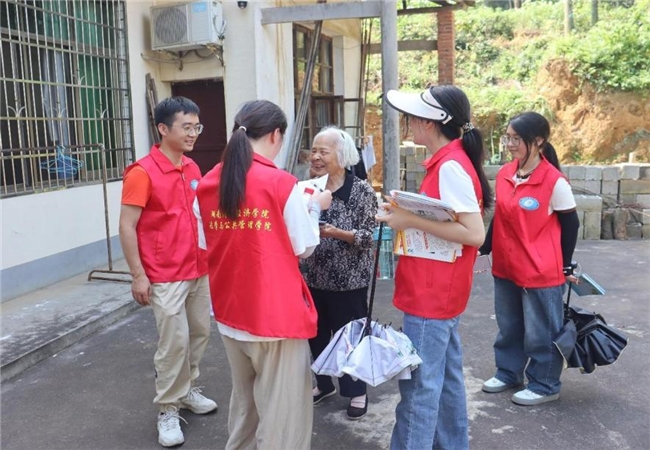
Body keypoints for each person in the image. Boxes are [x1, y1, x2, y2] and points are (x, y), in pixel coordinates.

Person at [194, 100, 332, 450]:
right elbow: (304, 248)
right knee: (283, 417)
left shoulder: (207, 183)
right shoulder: (281, 184)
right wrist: (314, 206)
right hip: (275, 317)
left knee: (246, 407)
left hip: (229, 314)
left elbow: (204, 242)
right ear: (275, 135)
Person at [378, 85, 492, 450]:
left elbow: (474, 233)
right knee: (445, 380)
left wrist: (408, 219)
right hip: (438, 290)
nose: (409, 122)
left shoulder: (450, 166)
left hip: (432, 294)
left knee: (419, 388)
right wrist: (407, 214)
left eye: (413, 117)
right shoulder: (451, 162)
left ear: (430, 123)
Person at [119, 97, 217, 448]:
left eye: (197, 127)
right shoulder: (142, 172)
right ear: (163, 128)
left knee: (199, 334)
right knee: (173, 342)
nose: (193, 133)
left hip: (198, 267)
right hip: (165, 273)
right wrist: (137, 275)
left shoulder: (192, 167)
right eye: (186, 127)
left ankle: (187, 388)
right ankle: (168, 407)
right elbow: (127, 226)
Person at [478, 111, 580, 406]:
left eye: (516, 139)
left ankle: (545, 384)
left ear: (538, 142)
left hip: (541, 270)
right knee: (509, 326)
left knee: (541, 331)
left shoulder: (554, 181)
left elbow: (570, 225)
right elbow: (500, 217)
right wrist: (485, 250)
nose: (510, 144)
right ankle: (509, 372)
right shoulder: (506, 174)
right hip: (507, 266)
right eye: (507, 137)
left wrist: (566, 264)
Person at [302, 127, 377, 420]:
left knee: (349, 339)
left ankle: (356, 390)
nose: (316, 157)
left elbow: (370, 236)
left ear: (342, 156)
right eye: (314, 150)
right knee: (317, 336)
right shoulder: (307, 187)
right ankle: (324, 384)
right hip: (313, 278)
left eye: (324, 151)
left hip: (349, 282)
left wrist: (337, 233)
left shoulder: (360, 191)